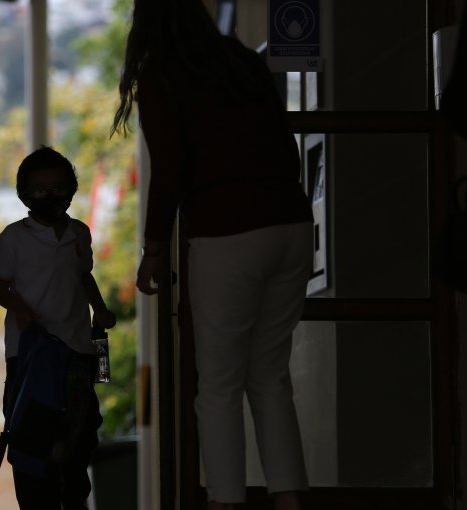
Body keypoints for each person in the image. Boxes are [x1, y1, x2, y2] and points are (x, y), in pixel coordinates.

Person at [113, 1, 313, 509]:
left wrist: (154, 249)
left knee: (219, 384)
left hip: (228, 232)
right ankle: (289, 500)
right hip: (290, 224)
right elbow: (284, 144)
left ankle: (226, 503)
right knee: (270, 377)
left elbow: (170, 172)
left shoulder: (164, 75)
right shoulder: (240, 61)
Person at [0, 146, 117, 510]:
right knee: (32, 441)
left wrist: (101, 309)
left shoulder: (79, 233)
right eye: (40, 188)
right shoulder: (14, 237)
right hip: (30, 356)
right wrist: (21, 311)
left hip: (77, 352)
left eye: (58, 187)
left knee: (79, 437)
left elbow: (83, 277)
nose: (50, 195)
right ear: (24, 193)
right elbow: (1, 286)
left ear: (72, 189)